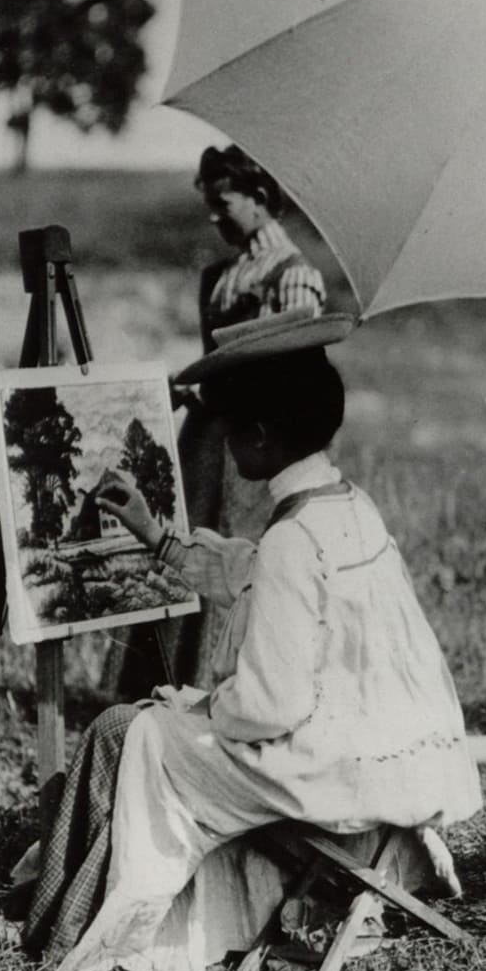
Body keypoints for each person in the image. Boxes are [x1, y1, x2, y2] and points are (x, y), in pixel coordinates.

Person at [19, 312, 483, 971]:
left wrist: (201, 707)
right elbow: (251, 572)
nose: (226, 448)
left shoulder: (295, 540)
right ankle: (72, 901)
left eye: (231, 431)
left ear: (260, 438)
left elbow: (269, 707)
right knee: (148, 727)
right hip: (394, 754)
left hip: (328, 768)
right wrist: (156, 535)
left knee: (127, 732)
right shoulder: (347, 506)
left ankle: (72, 920)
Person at [108, 143, 327, 699]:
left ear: (258, 199)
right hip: (208, 437)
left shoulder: (293, 275)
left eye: (221, 202)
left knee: (235, 555)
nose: (213, 215)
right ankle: (160, 678)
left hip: (258, 442)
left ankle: (218, 685)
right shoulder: (226, 274)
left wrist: (218, 391)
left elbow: (291, 371)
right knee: (180, 543)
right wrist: (192, 388)